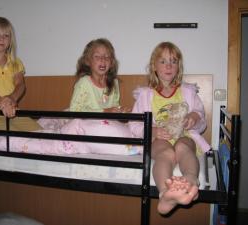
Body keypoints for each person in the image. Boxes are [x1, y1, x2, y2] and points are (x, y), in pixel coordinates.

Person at [129, 42, 210, 214]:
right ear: (154, 66)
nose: (169, 66)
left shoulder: (188, 91)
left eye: (173, 61)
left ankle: (189, 181)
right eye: (163, 61)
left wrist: (195, 117)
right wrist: (152, 130)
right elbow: (134, 124)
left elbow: (201, 117)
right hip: (159, 139)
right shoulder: (145, 95)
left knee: (183, 147)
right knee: (166, 153)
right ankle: (166, 193)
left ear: (178, 67)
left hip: (184, 135)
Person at [0, 17, 42, 131]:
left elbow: (20, 85)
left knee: (39, 131)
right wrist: (2, 103)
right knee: (11, 135)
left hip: (13, 111)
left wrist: (11, 99)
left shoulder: (16, 62)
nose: (1, 38)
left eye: (6, 35)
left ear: (10, 40)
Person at [69, 38, 130, 113]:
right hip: (87, 123)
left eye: (107, 56)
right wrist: (103, 111)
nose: (103, 59)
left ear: (111, 62)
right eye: (97, 56)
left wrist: (120, 110)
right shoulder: (84, 83)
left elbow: (114, 106)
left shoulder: (114, 83)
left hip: (106, 123)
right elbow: (74, 110)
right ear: (88, 61)